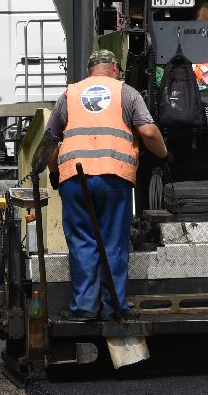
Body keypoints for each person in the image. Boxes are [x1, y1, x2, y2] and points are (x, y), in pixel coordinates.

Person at [33, 48, 170, 321]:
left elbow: (49, 142)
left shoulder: (70, 94)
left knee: (83, 242)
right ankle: (114, 307)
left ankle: (84, 308)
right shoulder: (126, 92)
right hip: (113, 177)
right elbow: (148, 131)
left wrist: (54, 173)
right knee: (113, 243)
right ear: (115, 69)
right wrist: (164, 155)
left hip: (74, 178)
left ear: (90, 71)